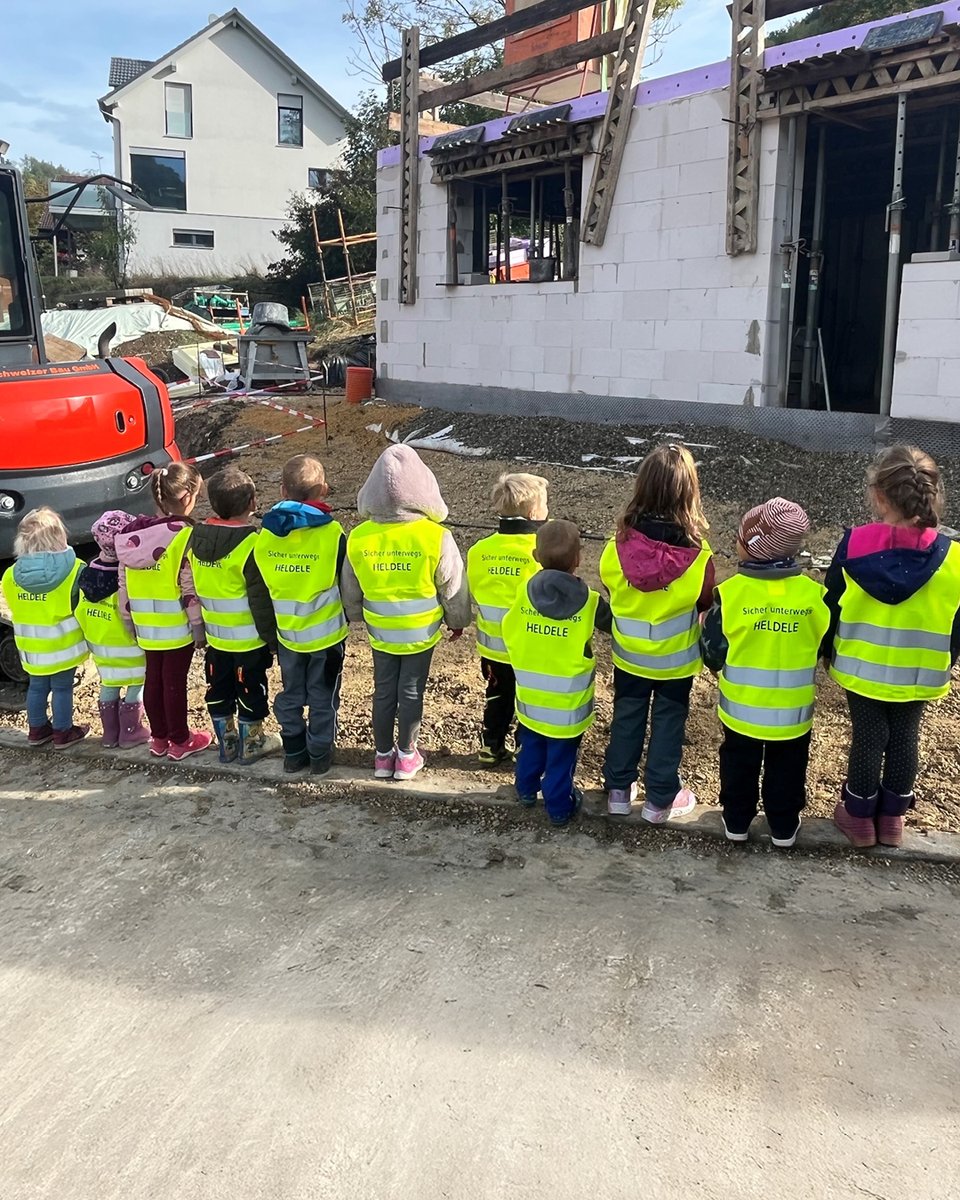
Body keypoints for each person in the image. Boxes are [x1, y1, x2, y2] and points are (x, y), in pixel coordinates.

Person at [827, 445, 960, 850]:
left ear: (879, 496)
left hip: (862, 665)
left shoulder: (855, 544)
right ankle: (893, 819)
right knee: (906, 736)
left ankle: (859, 814)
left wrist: (824, 649)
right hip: (920, 668)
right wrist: (949, 659)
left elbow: (830, 603)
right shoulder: (953, 556)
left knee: (868, 737)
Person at [701, 498, 829, 848]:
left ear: (754, 545)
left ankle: (736, 822)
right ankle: (784, 827)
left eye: (741, 537)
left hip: (742, 711)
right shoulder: (815, 596)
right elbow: (820, 646)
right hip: (792, 714)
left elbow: (712, 652)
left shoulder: (730, 595)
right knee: (787, 770)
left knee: (739, 764)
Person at [600, 443, 714, 823]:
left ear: (641, 487)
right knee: (668, 723)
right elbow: (704, 602)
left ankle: (618, 789)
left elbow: (609, 587)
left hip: (630, 655)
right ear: (690, 492)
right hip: (675, 662)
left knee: (627, 716)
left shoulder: (615, 547)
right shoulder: (700, 554)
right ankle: (660, 799)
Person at [342, 444, 470, 781]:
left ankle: (383, 757)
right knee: (411, 691)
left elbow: (350, 585)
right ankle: (407, 756)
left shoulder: (359, 537)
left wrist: (354, 614)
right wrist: (456, 621)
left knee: (383, 691)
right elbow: (453, 586)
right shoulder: (436, 536)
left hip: (381, 631)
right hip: (421, 632)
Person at [501, 520, 611, 827]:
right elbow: (613, 624)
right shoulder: (589, 602)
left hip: (531, 697)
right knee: (561, 760)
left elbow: (509, 628)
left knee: (530, 746)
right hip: (568, 705)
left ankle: (524, 791)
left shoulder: (524, 592)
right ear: (579, 558)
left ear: (536, 556)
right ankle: (560, 806)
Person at [255, 453, 348, 774]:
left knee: (292, 693)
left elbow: (262, 585)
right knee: (323, 697)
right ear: (323, 489)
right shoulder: (332, 532)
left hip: (288, 636)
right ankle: (320, 756)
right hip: (326, 637)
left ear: (282, 491)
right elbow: (344, 580)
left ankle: (294, 752)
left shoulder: (265, 535)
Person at [116, 463, 212, 763]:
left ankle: (159, 738)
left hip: (145, 625)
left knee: (153, 679)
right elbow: (189, 586)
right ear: (186, 497)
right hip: (176, 626)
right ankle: (181, 739)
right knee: (174, 682)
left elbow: (123, 583)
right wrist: (198, 627)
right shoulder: (184, 536)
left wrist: (128, 619)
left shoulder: (131, 536)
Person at [189, 466, 281, 765]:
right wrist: (272, 638)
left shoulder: (196, 539)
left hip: (217, 638)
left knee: (219, 689)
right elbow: (260, 599)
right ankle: (252, 743)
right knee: (251, 690)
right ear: (253, 503)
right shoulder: (252, 544)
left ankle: (226, 743)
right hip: (249, 641)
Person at [466, 472, 548, 765]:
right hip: (528, 647)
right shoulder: (539, 552)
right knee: (527, 697)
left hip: (492, 647)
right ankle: (525, 748)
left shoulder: (479, 551)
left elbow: (474, 589)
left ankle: (491, 746)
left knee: (497, 696)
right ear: (534, 511)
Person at [0, 507, 89, 748]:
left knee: (37, 687)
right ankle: (63, 731)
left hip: (31, 648)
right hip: (63, 647)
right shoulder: (75, 569)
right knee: (62, 688)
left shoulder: (10, 575)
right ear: (60, 537)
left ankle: (37, 729)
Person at [76, 510, 149, 749]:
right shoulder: (125, 577)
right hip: (129, 646)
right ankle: (131, 731)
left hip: (102, 647)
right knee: (137, 684)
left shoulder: (86, 574)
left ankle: (109, 734)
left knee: (109, 683)